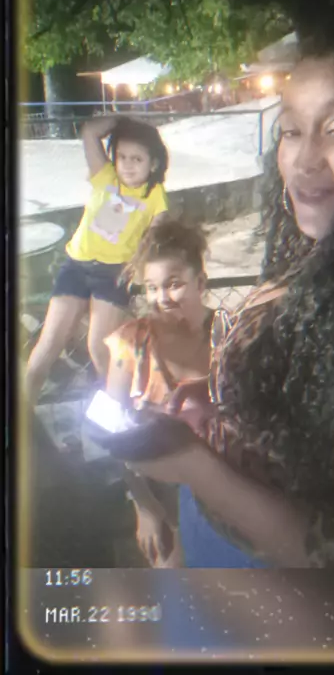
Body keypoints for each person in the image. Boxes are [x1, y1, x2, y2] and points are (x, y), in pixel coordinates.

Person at [125, 13, 334, 569]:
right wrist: (219, 403)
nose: (304, 161)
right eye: (290, 131)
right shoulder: (319, 248)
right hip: (211, 541)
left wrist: (195, 467)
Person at [26, 116, 169, 398]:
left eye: (137, 159)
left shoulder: (155, 195)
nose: (127, 165)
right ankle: (22, 410)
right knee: (48, 344)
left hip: (112, 274)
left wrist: (140, 269)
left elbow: (155, 238)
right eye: (122, 157)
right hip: (76, 266)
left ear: (153, 164)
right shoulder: (105, 176)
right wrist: (124, 122)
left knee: (99, 349)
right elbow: (90, 131)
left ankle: (118, 409)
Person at [103, 218, 215, 568]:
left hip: (225, 491)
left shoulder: (229, 334)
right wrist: (145, 508)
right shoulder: (130, 344)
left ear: (200, 282)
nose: (161, 298)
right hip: (160, 497)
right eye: (152, 288)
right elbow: (111, 431)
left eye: (173, 284)